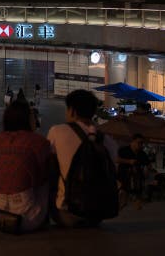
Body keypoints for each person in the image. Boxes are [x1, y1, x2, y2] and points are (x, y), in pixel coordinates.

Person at [47, 89, 118, 227]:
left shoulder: (57, 131)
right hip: (97, 215)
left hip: (66, 214)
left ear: (72, 111)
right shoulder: (108, 141)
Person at [0, 101, 51, 232]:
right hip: (25, 218)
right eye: (33, 116)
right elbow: (43, 177)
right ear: (27, 119)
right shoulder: (39, 142)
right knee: (48, 183)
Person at [117, 133, 150, 205]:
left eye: (142, 143)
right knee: (123, 194)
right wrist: (128, 161)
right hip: (124, 176)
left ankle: (134, 201)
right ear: (133, 141)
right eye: (139, 142)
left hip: (137, 179)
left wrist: (146, 169)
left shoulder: (142, 153)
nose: (141, 145)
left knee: (136, 199)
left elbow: (148, 164)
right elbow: (116, 159)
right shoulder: (124, 150)